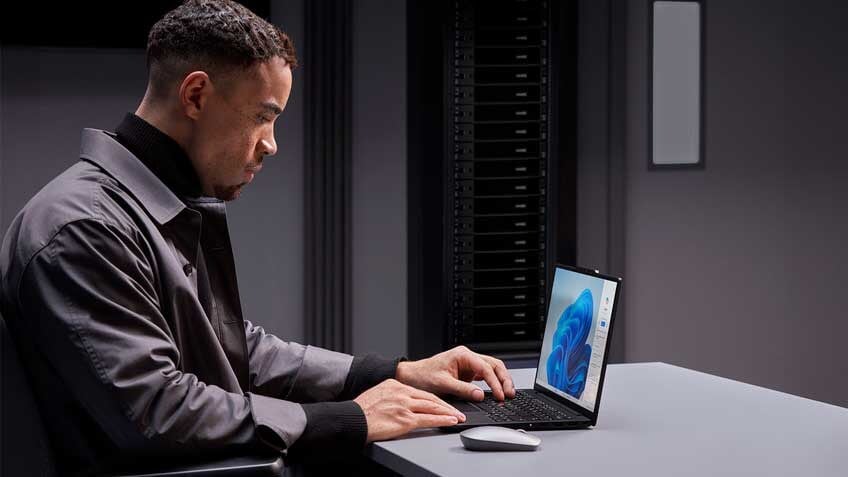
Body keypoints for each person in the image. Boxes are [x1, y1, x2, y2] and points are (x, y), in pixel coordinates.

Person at [0, 0, 515, 474]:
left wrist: (395, 373)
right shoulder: (86, 229)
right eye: (264, 117)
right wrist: (345, 419)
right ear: (196, 95)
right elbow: (156, 410)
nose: (271, 144)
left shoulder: (146, 204)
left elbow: (233, 349)